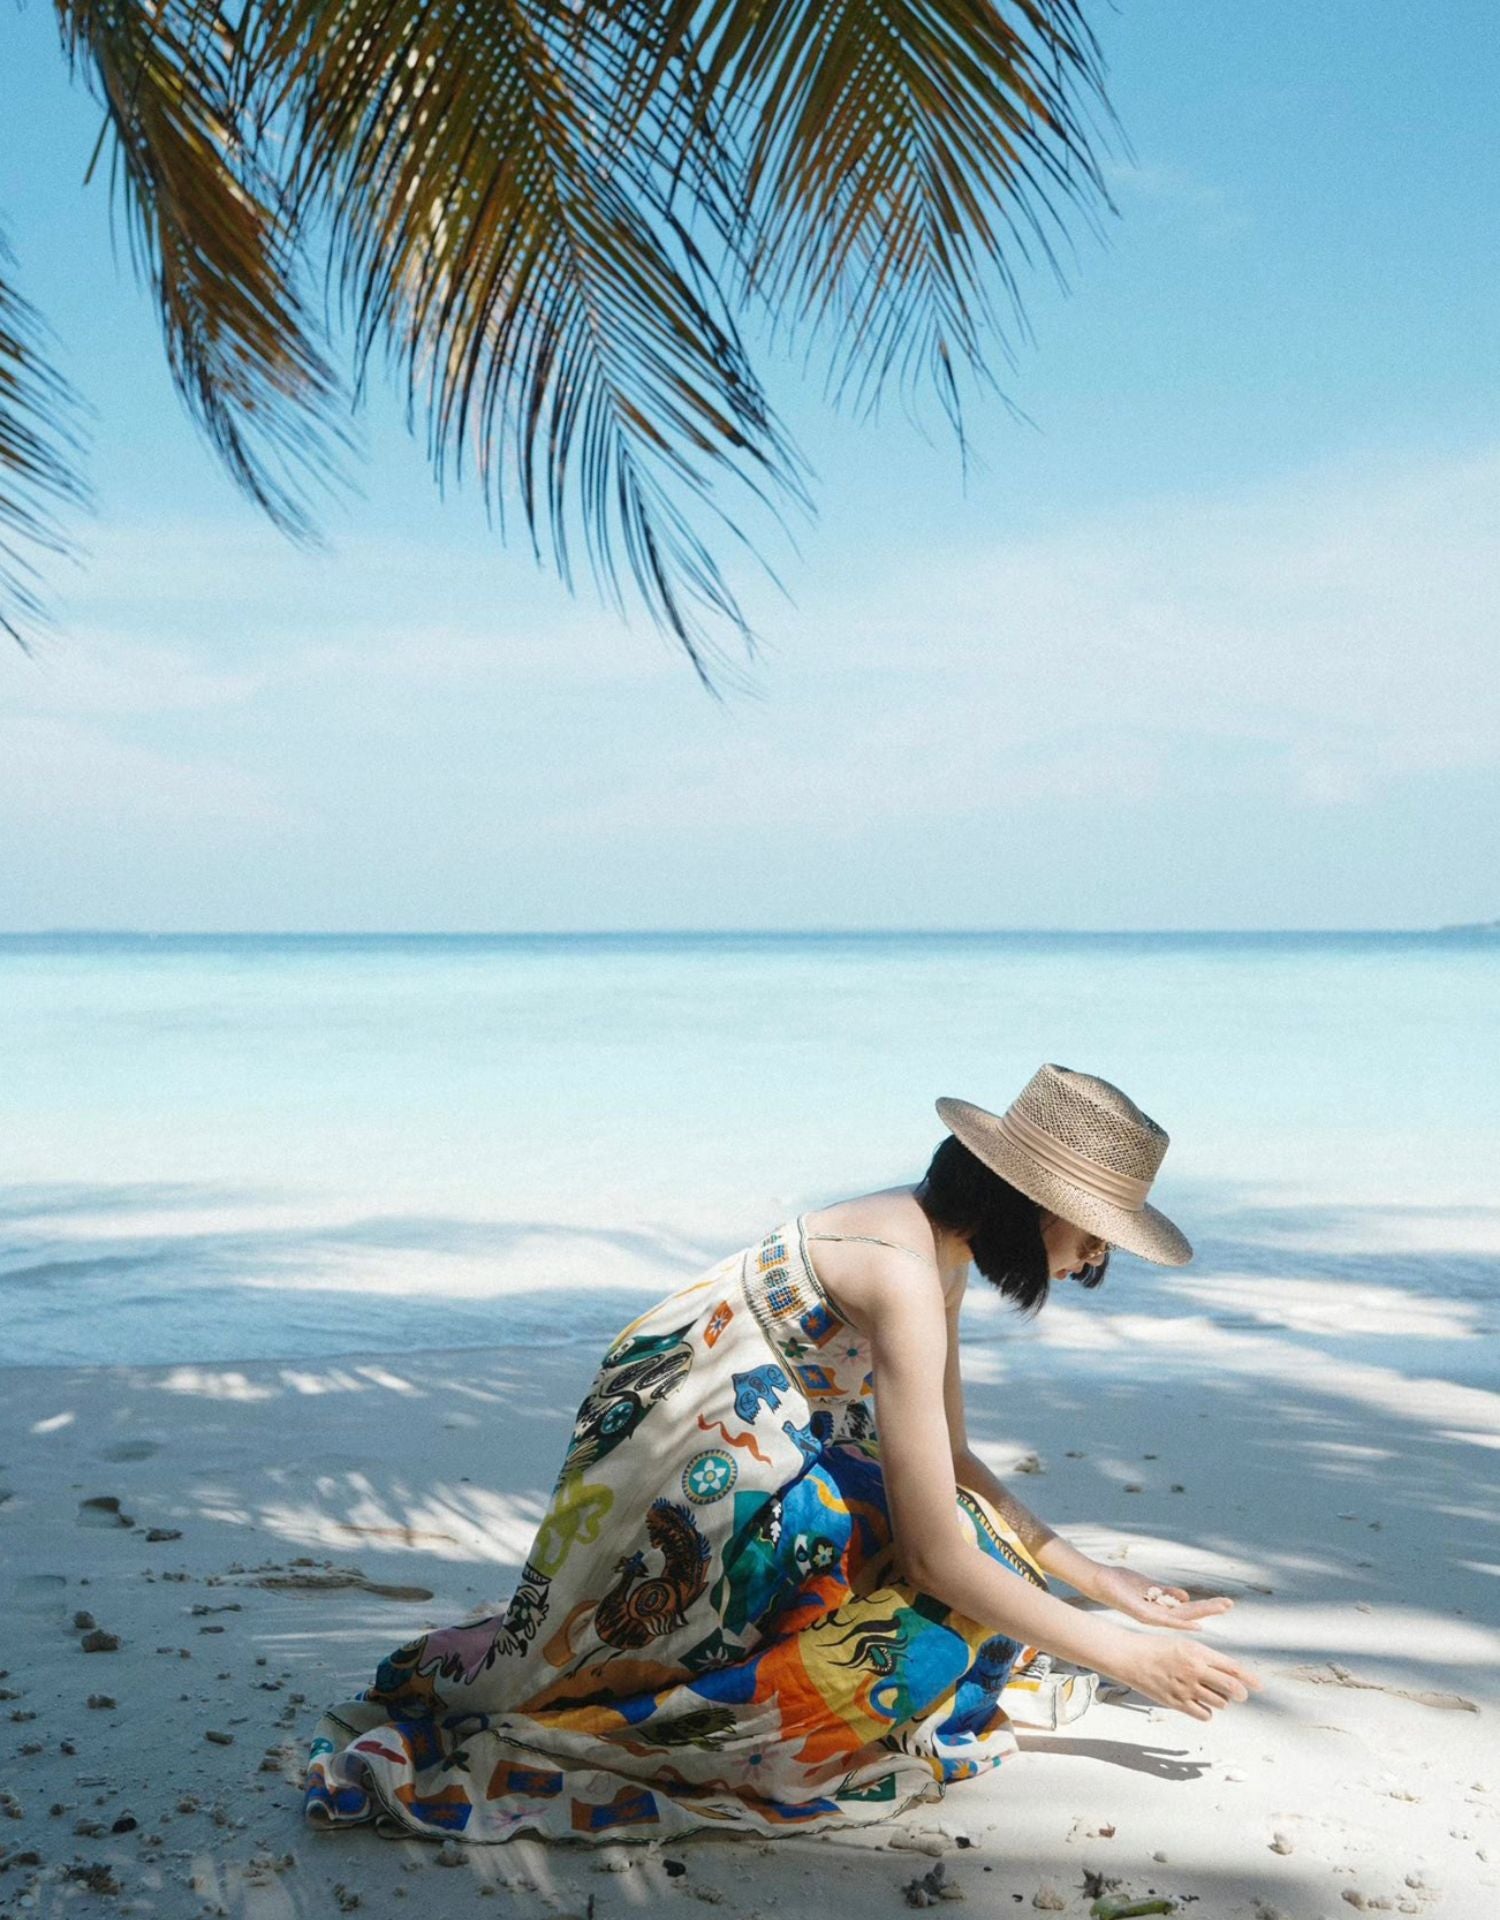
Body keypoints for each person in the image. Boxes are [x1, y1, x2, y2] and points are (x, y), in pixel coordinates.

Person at [303, 1063, 1262, 1845]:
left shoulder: (929, 1243)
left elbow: (953, 1457)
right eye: (1094, 1236)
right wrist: (1126, 1655)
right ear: (1033, 1205)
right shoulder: (903, 1273)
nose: (1093, 1263)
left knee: (986, 1557)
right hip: (678, 1473)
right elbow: (937, 1555)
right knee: (949, 1596)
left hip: (722, 1449)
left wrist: (1100, 1583)